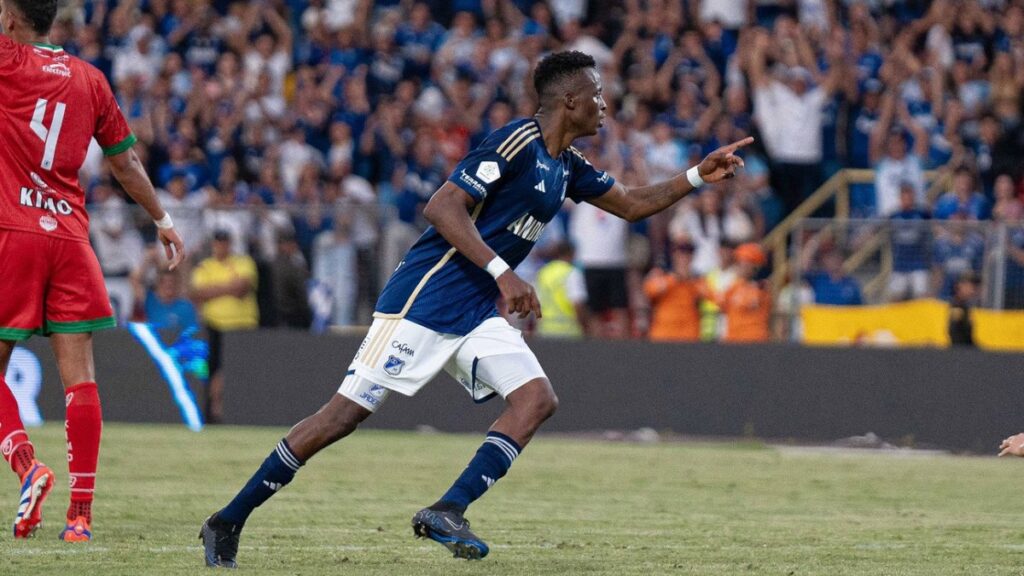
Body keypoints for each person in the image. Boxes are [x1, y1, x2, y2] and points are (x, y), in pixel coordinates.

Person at [199, 50, 752, 568]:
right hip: (426, 297)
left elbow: (631, 204)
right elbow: (442, 205)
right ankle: (228, 519)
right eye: (598, 95)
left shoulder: (567, 164)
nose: (606, 105)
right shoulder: (515, 142)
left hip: (476, 310)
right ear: (569, 102)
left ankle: (447, 509)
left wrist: (698, 176)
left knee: (536, 400)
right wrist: (502, 272)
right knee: (342, 417)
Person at [0, 0, 184, 542]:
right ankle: (80, 518)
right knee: (80, 380)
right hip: (71, 240)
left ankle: (28, 467)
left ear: (10, 17)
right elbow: (125, 163)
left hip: (15, 233)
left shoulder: (7, 61)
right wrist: (163, 219)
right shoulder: (90, 79)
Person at [190, 230, 258, 423]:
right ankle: (214, 410)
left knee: (239, 371)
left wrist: (215, 289)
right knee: (214, 369)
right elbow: (198, 293)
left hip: (242, 325)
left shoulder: (243, 262)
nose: (221, 246)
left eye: (224, 242)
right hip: (215, 325)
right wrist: (228, 287)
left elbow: (242, 288)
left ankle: (237, 410)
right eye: (218, 242)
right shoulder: (205, 266)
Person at [643, 242, 701, 342]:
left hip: (689, 335)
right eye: (681, 254)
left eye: (688, 254)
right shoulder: (662, 275)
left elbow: (714, 298)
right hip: (664, 334)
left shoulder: (697, 281)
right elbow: (649, 291)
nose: (684, 258)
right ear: (674, 256)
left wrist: (690, 281)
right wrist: (675, 279)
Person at [717, 243, 771, 343]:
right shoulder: (732, 286)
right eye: (738, 261)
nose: (739, 265)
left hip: (754, 343)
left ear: (754, 266)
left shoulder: (761, 288)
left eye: (743, 261)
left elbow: (748, 301)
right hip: (733, 342)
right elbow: (721, 304)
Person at [534, 241, 588, 338]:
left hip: (545, 330)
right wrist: (585, 326)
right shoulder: (571, 273)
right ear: (572, 254)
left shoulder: (543, 273)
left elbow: (535, 303)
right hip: (569, 331)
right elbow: (577, 304)